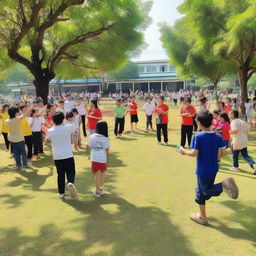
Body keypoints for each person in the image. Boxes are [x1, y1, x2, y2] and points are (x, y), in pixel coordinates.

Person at [178, 110, 239, 225]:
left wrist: (183, 151)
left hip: (203, 170)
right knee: (199, 191)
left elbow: (194, 153)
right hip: (213, 167)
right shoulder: (217, 136)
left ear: (199, 123)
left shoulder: (198, 136)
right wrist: (216, 158)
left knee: (205, 190)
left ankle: (223, 185)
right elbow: (224, 152)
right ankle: (202, 217)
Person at [46, 112, 78, 199]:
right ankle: (70, 182)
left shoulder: (50, 130)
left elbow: (47, 141)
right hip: (68, 154)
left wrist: (53, 145)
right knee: (71, 172)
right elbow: (75, 127)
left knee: (60, 174)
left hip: (57, 156)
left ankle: (61, 193)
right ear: (63, 119)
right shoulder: (67, 127)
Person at [87, 121, 110, 198]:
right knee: (103, 173)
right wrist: (107, 160)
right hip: (102, 158)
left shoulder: (92, 136)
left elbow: (88, 147)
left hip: (94, 158)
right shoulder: (105, 138)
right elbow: (107, 150)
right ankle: (101, 188)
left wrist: (92, 150)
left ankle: (97, 190)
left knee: (97, 174)